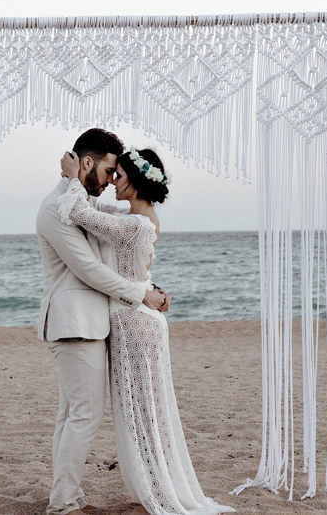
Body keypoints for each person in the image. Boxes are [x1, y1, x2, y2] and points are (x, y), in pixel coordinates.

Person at [57, 147, 235, 515]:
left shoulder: (137, 223)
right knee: (139, 412)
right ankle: (153, 489)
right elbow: (96, 215)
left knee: (145, 414)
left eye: (118, 176)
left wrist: (72, 175)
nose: (113, 181)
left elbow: (78, 212)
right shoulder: (135, 218)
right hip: (134, 320)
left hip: (136, 326)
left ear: (136, 182)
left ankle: (158, 494)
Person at [36, 128, 170, 515]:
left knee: (72, 415)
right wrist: (139, 294)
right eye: (109, 171)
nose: (112, 180)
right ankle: (63, 503)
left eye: (118, 175)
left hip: (87, 323)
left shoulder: (80, 203)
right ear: (87, 163)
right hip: (75, 323)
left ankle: (66, 497)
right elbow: (90, 269)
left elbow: (118, 247)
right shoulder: (55, 207)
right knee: (84, 415)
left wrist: (148, 285)